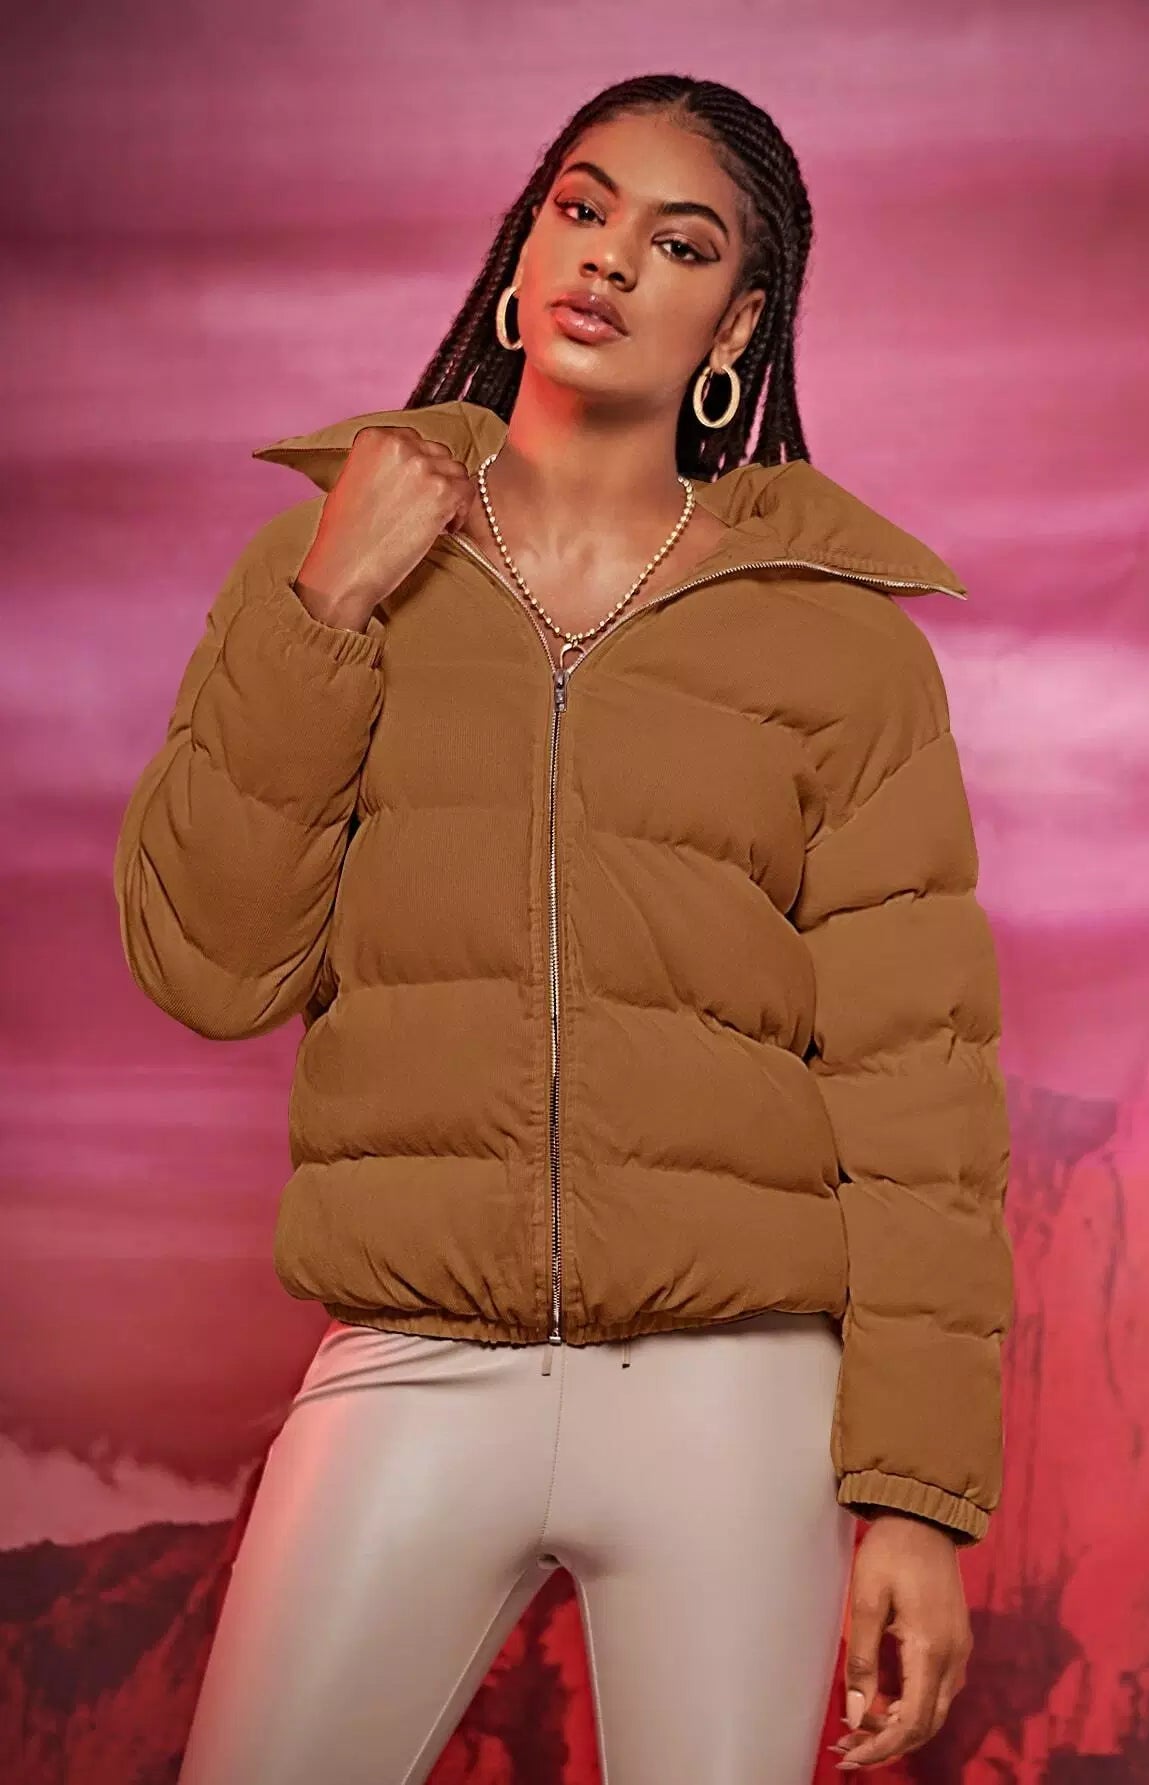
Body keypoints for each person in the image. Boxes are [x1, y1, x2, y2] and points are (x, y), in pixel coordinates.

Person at [114, 73, 1013, 1785]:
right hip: (414, 1360)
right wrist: (330, 605)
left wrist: (917, 1498)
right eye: (582, 209)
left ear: (736, 325)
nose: (609, 259)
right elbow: (210, 966)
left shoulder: (843, 654)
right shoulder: (323, 564)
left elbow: (922, 1094)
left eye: (679, 244)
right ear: (525, 253)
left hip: (734, 1400)